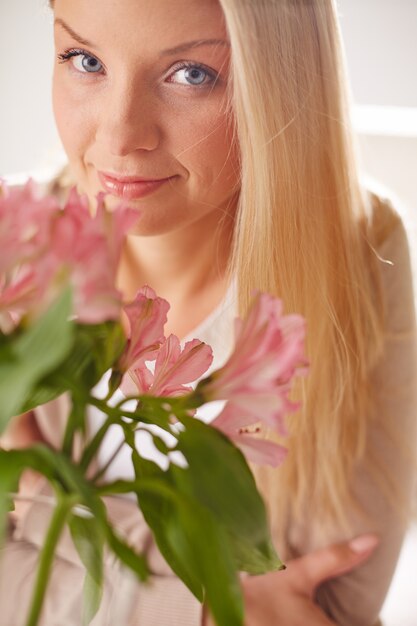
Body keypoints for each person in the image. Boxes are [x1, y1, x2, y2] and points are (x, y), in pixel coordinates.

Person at [1, 0, 416, 624]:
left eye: (192, 74)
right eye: (85, 59)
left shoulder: (361, 248)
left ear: (279, 83)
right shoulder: (16, 244)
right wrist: (201, 605)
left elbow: (328, 607)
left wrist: (43, 509)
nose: (119, 136)